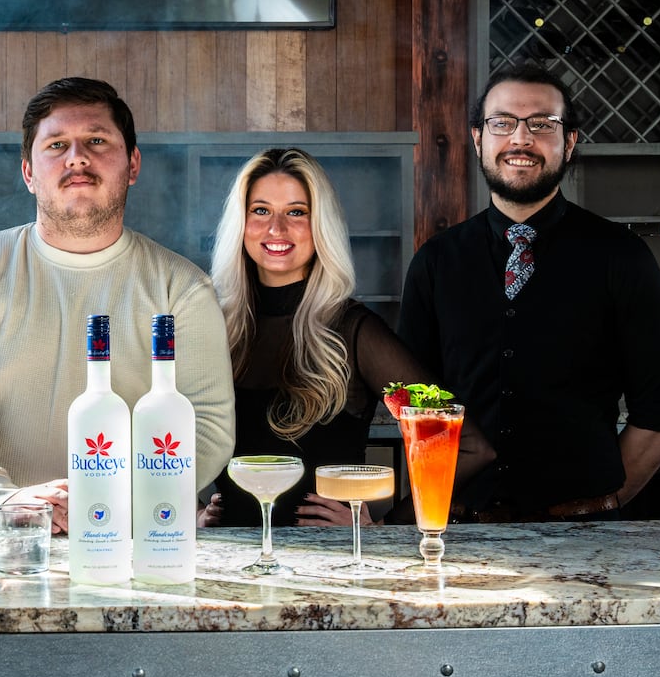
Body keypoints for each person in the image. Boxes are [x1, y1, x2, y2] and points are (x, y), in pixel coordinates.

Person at [0, 76, 235, 532]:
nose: (77, 157)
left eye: (97, 141)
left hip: (133, 542)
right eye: (57, 144)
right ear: (28, 172)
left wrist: (107, 508)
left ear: (133, 164)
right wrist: (5, 504)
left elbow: (207, 425)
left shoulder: (183, 287)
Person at [397, 63, 660, 520]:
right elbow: (413, 404)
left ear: (569, 142)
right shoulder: (435, 263)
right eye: (503, 123)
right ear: (478, 139)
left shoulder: (623, 258)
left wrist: (607, 500)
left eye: (542, 125)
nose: (521, 139)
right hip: (461, 532)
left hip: (585, 539)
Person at [199, 148, 492, 529]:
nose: (276, 229)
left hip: (327, 561)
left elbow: (469, 447)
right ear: (240, 222)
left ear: (321, 225)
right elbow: (159, 432)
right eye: (260, 210)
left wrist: (385, 528)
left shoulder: (354, 331)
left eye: (296, 212)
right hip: (230, 558)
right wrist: (189, 511)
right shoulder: (211, 326)